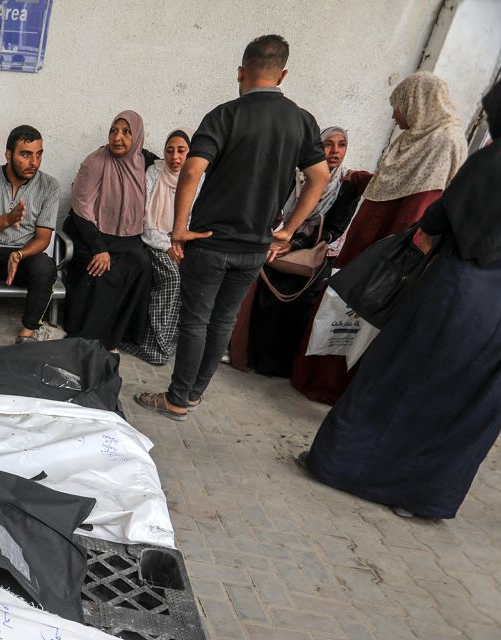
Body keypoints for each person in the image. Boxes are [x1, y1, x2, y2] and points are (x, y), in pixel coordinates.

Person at [300, 79, 501, 520]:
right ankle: (425, 498)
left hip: (455, 293)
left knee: (398, 379)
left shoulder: (489, 162)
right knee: (467, 405)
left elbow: (435, 219)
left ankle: (345, 468)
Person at [135, 34, 329, 420]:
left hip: (210, 241)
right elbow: (319, 177)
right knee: (224, 319)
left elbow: (192, 168)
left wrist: (178, 229)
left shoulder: (225, 115)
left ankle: (176, 398)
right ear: (283, 73)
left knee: (195, 320)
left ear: (241, 71)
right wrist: (288, 230)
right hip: (256, 246)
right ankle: (193, 395)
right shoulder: (302, 121)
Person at [291, 72, 466, 403]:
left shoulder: (444, 141)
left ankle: (336, 386)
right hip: (365, 240)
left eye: (397, 106)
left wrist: (394, 252)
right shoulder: (411, 137)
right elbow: (391, 183)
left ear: (416, 102)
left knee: (365, 313)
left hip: (390, 250)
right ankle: (314, 376)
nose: (393, 114)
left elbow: (423, 203)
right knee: (340, 304)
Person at [229, 127, 362, 376]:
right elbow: (276, 209)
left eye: (341, 144)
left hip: (311, 256)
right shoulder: (300, 177)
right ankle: (248, 354)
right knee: (256, 279)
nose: (335, 151)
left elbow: (333, 228)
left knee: (296, 306)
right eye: (327, 144)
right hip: (282, 242)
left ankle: (276, 366)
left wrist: (294, 243)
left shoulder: (346, 186)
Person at [60, 110, 153, 352]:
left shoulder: (144, 162)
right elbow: (81, 210)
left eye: (126, 132)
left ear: (138, 137)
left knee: (141, 263)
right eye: (114, 130)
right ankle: (89, 334)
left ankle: (123, 335)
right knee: (103, 267)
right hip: (89, 234)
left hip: (127, 237)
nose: (117, 137)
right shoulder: (95, 161)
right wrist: (99, 248)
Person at [0, 125, 61, 345]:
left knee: (46, 267)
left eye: (39, 154)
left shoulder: (50, 186)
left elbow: (43, 238)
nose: (33, 162)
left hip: (25, 254)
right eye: (25, 154)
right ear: (8, 155)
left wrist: (19, 255)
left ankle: (28, 332)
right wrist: (7, 220)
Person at [120, 129, 191, 364]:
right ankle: (158, 344)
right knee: (172, 276)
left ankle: (171, 342)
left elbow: (198, 218)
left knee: (195, 274)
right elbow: (145, 220)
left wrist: (182, 244)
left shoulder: (196, 178)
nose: (175, 157)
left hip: (186, 243)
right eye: (170, 151)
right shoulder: (154, 173)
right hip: (154, 241)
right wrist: (168, 246)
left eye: (181, 151)